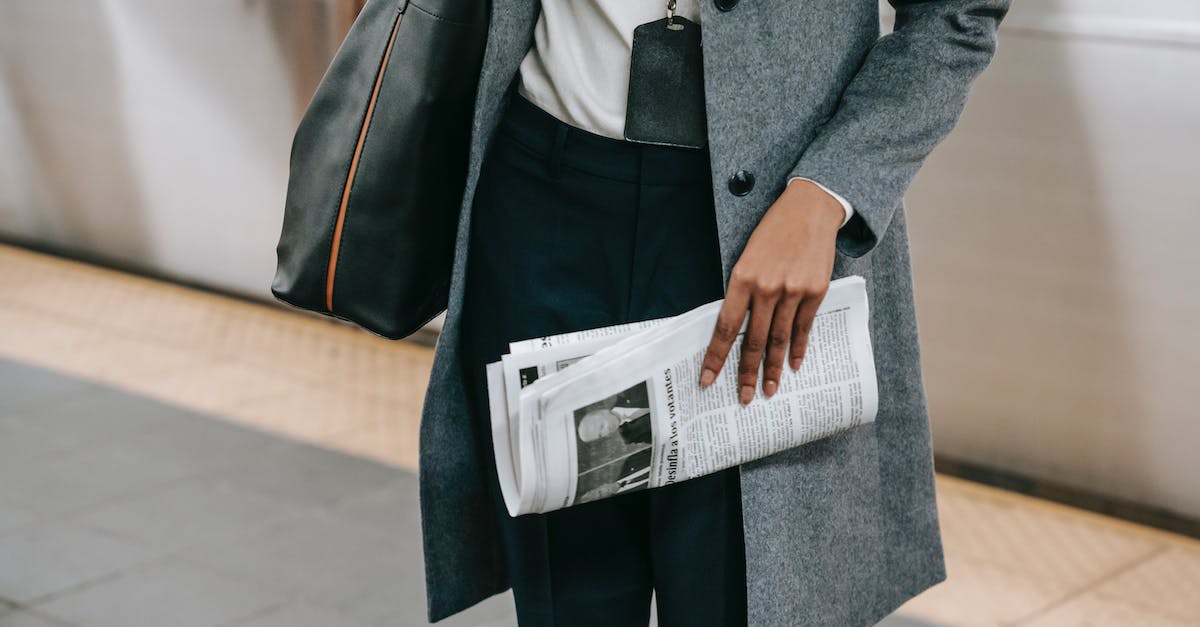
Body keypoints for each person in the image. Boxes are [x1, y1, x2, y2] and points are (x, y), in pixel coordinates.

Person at [417, 1, 1011, 626]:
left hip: (765, 232)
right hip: (545, 205)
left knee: (739, 596)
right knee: (567, 602)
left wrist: (827, 192)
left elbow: (958, 12)